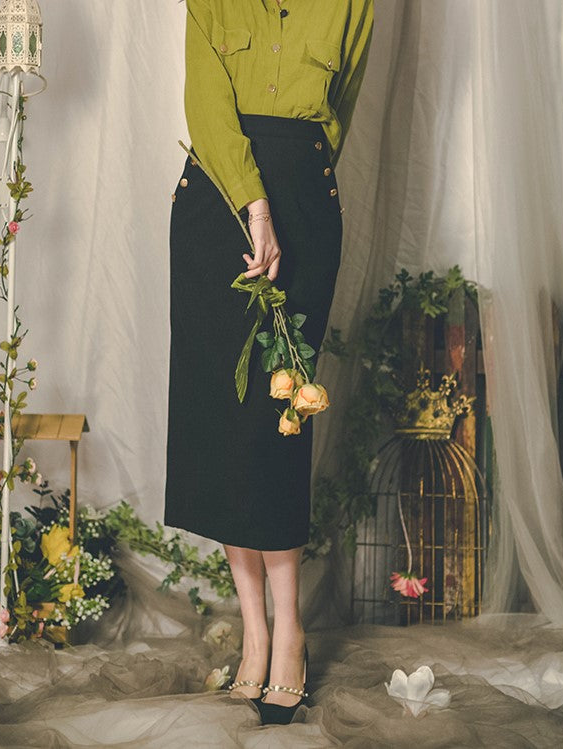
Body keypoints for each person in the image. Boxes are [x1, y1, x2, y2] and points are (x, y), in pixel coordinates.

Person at [164, 0, 374, 725]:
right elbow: (205, 104)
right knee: (229, 421)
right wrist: (257, 205)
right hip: (220, 206)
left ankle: (291, 631)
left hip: (303, 210)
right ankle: (254, 631)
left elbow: (336, 115)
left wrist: (294, 194)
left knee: (279, 419)